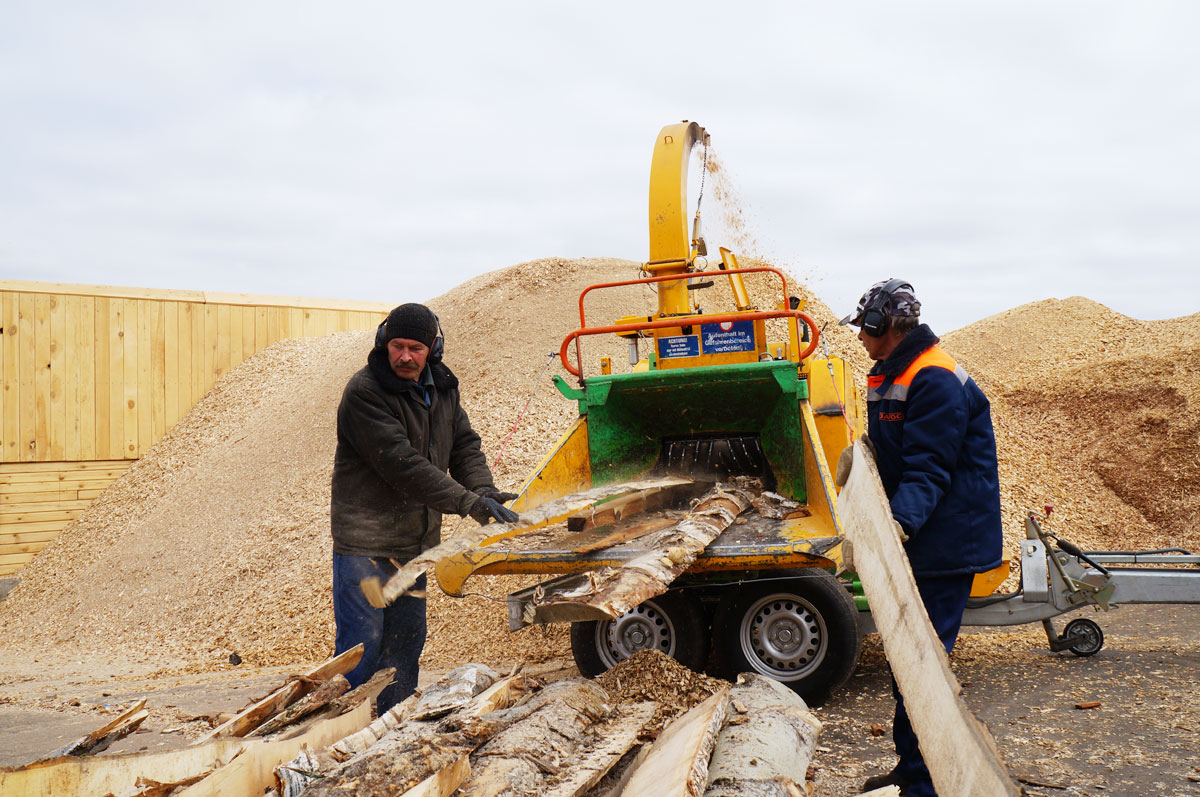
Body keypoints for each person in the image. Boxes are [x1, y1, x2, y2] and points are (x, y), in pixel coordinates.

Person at [839, 279, 1003, 796]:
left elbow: (927, 470)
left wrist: (894, 529)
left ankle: (924, 783)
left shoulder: (933, 376)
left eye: (863, 328)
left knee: (922, 669)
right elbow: (891, 454)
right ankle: (914, 770)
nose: (859, 338)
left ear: (881, 324)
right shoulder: (890, 373)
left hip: (945, 539)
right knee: (906, 667)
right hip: (923, 536)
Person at [330, 302, 519, 713]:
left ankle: (391, 733)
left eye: (415, 348)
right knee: (361, 653)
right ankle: (341, 739)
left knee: (404, 648)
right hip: (367, 549)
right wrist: (469, 503)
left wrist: (484, 490)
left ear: (433, 349)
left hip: (412, 551)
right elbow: (403, 466)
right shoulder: (364, 392)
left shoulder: (443, 390)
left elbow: (465, 445)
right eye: (397, 346)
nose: (404, 356)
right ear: (384, 342)